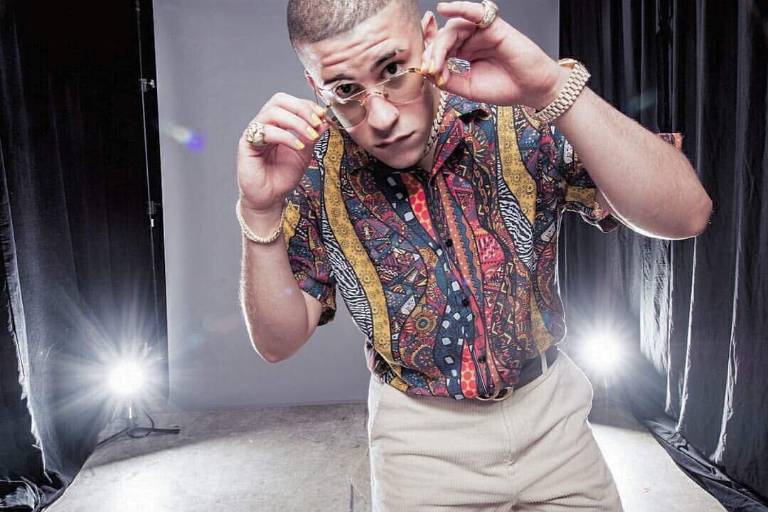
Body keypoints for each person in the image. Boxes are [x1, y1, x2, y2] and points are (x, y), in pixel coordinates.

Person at [235, 1, 712, 510]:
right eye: (347, 90)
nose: (383, 117)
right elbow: (278, 343)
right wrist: (259, 211)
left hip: (552, 416)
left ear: (428, 36)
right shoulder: (310, 167)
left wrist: (552, 88)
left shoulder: (515, 102)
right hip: (417, 444)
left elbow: (687, 214)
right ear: (316, 87)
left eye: (393, 69)